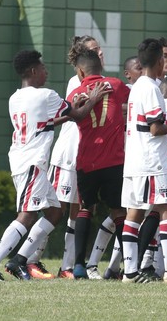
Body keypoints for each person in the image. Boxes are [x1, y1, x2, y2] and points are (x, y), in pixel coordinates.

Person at [0, 50, 107, 281]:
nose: (47, 72)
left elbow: (48, 121)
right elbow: (77, 115)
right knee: (26, 216)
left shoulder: (15, 97)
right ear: (34, 71)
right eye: (44, 68)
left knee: (56, 212)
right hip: (32, 163)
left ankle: (18, 261)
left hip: (21, 159)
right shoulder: (46, 95)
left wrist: (72, 107)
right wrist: (94, 100)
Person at [121, 38, 167, 284]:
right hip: (152, 160)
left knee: (135, 212)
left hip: (134, 160)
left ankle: (129, 273)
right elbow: (154, 128)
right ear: (159, 61)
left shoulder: (138, 87)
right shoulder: (150, 87)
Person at [38, 35, 104, 280]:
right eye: (94, 51)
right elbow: (79, 114)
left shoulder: (100, 82)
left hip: (83, 157)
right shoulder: (76, 82)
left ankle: (68, 265)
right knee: (55, 210)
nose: (100, 54)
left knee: (79, 211)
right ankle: (30, 259)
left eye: (100, 50)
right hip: (67, 155)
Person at [68, 50, 130, 280]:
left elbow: (72, 113)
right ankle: (129, 265)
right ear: (99, 67)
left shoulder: (76, 92)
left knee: (86, 209)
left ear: (81, 71)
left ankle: (78, 265)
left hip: (87, 160)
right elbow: (130, 103)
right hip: (114, 160)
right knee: (119, 211)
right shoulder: (114, 84)